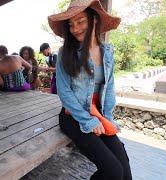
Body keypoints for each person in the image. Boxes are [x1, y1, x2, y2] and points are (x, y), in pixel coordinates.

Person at [48, 0, 132, 179]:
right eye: (71, 24)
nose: (75, 28)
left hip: (98, 115)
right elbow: (64, 92)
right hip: (73, 116)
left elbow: (109, 87)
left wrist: (106, 118)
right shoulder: (65, 53)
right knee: (113, 171)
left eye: (80, 21)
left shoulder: (107, 52)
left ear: (93, 20)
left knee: (125, 168)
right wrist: (88, 121)